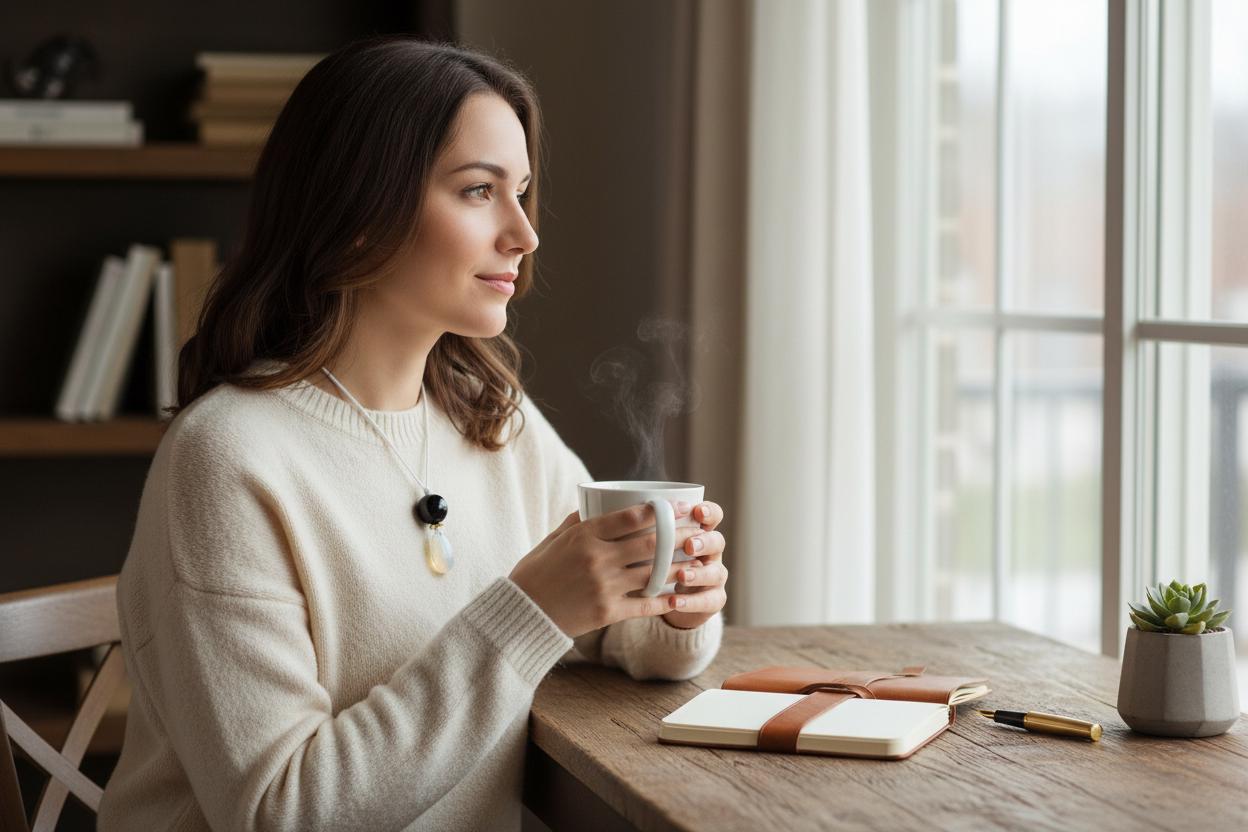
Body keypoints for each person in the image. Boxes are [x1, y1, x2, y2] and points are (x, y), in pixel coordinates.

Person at [96, 36, 728, 831]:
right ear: (358, 211)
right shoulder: (228, 458)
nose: (524, 234)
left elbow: (615, 634)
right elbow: (280, 812)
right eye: (477, 191)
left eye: (522, 192)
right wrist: (532, 612)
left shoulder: (490, 415)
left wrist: (673, 607)